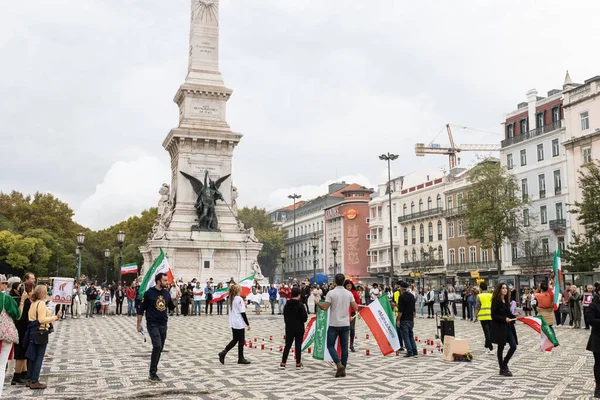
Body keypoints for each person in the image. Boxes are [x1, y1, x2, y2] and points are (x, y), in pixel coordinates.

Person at [315, 273, 358, 378]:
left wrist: (317, 303)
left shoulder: (331, 293)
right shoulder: (349, 293)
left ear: (334, 281)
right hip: (345, 324)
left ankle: (338, 364)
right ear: (344, 281)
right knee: (344, 347)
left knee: (330, 345)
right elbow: (356, 307)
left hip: (334, 323)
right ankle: (343, 368)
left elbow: (325, 308)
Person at [25, 284, 62, 389]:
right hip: (40, 331)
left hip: (32, 331)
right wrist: (55, 317)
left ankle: (29, 378)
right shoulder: (41, 304)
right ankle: (34, 379)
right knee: (39, 357)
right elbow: (41, 319)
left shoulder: (34, 303)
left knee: (32, 356)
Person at [137, 273, 171, 382]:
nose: (167, 282)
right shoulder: (149, 293)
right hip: (152, 323)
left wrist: (177, 297)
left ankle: (153, 371)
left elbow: (171, 307)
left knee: (160, 348)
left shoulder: (166, 293)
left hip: (163, 323)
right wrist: (139, 324)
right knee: (157, 345)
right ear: (158, 281)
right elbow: (141, 309)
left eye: (167, 280)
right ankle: (152, 372)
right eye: (165, 280)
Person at [218, 284, 251, 365]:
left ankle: (224, 352)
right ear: (237, 291)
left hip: (233, 322)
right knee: (241, 341)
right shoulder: (239, 299)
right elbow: (242, 312)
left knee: (235, 339)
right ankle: (241, 358)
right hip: (238, 322)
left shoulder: (231, 299)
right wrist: (247, 324)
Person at [490, 283, 518, 377]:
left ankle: (504, 364)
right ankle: (502, 368)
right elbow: (494, 315)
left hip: (508, 327)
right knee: (500, 348)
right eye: (503, 288)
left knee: (513, 346)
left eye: (506, 288)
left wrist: (514, 316)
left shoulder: (506, 300)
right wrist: (504, 319)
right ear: (499, 290)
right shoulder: (495, 300)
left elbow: (508, 313)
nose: (505, 290)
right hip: (499, 327)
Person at [12, 273, 34, 385]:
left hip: (25, 325)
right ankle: (16, 376)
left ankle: (24, 372)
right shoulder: (15, 299)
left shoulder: (26, 297)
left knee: (24, 351)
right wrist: (22, 299)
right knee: (20, 351)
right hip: (20, 326)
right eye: (20, 288)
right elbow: (18, 315)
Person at [0, 276, 21, 396]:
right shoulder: (6, 299)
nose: (5, 285)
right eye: (4, 283)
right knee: (1, 366)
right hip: (4, 334)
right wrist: (22, 301)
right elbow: (17, 314)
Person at [280, 287, 308, 369]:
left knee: (287, 345)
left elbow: (285, 316)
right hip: (299, 328)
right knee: (298, 345)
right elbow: (305, 318)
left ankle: (283, 363)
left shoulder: (287, 304)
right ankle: (298, 363)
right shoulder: (300, 305)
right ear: (299, 295)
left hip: (289, 328)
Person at [585, 284, 600, 398]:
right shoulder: (593, 305)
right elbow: (590, 320)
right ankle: (598, 388)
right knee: (599, 364)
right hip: (597, 338)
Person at [396, 281, 418, 358]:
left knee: (405, 336)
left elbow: (400, 310)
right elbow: (413, 308)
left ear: (401, 288)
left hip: (404, 318)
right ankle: (415, 351)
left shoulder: (401, 297)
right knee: (411, 335)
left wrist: (398, 320)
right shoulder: (412, 296)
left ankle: (410, 352)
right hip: (410, 318)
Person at [475, 282, 494, 355]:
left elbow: (477, 307)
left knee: (487, 333)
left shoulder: (479, 296)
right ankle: (487, 347)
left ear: (480, 288)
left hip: (483, 317)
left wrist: (475, 316)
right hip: (490, 316)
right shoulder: (491, 295)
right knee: (489, 332)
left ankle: (490, 347)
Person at [344, 280, 360, 352]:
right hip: (344, 313)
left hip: (352, 313)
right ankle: (344, 344)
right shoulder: (343, 292)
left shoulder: (354, 292)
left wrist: (358, 311)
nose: (349, 288)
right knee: (344, 329)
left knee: (352, 329)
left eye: (350, 286)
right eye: (347, 286)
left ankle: (351, 344)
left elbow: (358, 302)